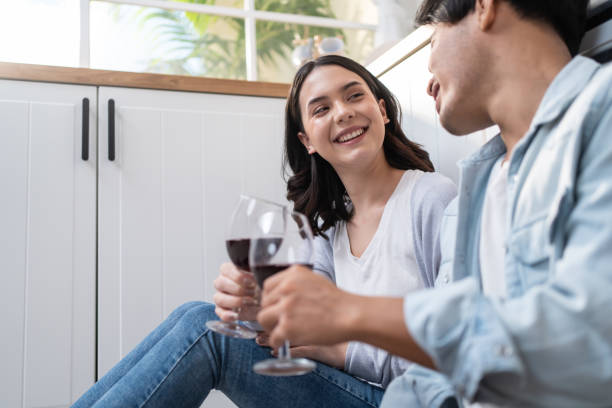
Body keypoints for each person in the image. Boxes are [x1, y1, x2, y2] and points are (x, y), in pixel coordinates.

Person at [257, 0, 612, 406]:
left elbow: (590, 345)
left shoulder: (600, 119)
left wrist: (352, 314)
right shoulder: (472, 196)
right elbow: (432, 380)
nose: (428, 78)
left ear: (484, 8)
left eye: (432, 40)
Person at [71, 55, 456, 408]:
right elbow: (301, 330)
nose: (343, 113)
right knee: (195, 314)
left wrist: (339, 351)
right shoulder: (328, 228)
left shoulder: (430, 197)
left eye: (354, 96)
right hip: (352, 391)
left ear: (382, 111)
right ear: (307, 141)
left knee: (205, 332)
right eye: (321, 109)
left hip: (411, 401)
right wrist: (256, 311)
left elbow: (452, 346)